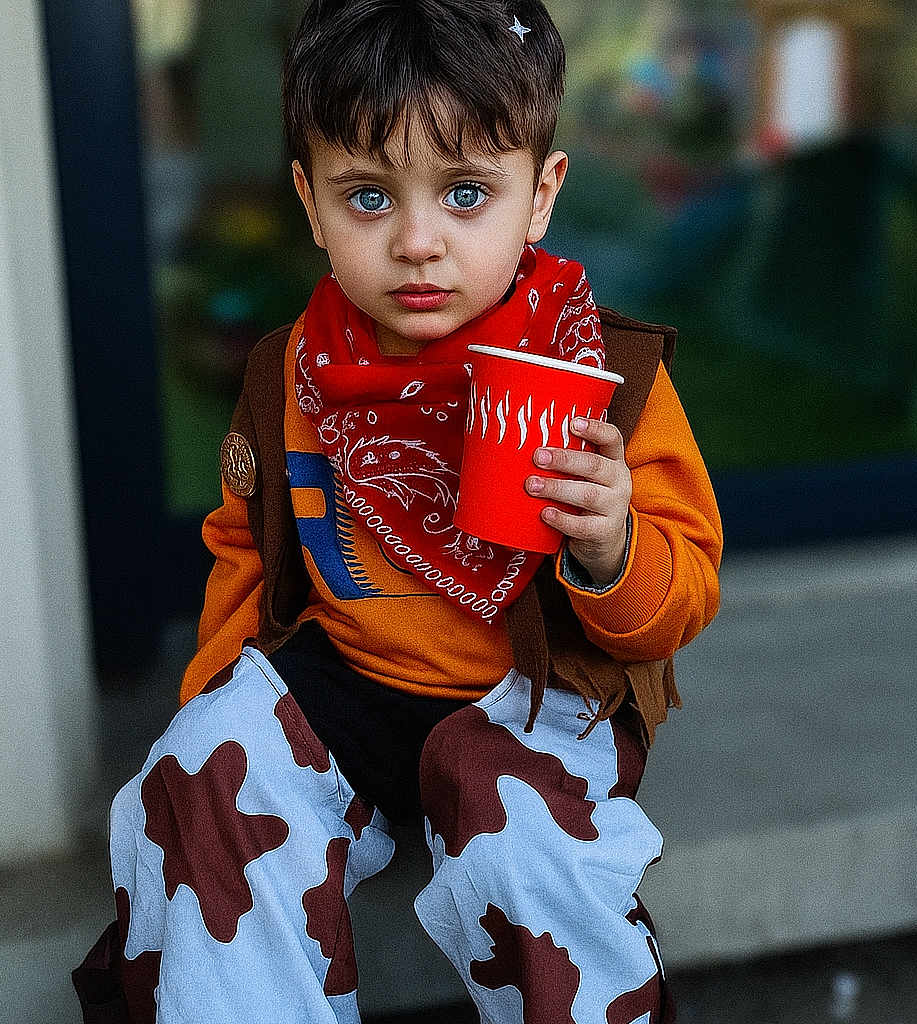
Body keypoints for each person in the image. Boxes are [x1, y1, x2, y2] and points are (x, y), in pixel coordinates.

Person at [73, 2, 722, 1021]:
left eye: (467, 193)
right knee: (194, 778)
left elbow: (677, 600)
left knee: (531, 852)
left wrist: (609, 543)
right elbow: (245, 550)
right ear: (310, 202)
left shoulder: (603, 376)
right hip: (347, 682)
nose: (419, 243)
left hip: (530, 694)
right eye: (368, 197)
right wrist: (211, 712)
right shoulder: (291, 372)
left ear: (540, 195)